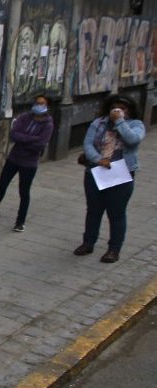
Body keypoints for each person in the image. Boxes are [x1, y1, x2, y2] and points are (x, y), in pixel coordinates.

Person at [74, 93, 146, 263]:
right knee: (93, 210)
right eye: (116, 107)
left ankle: (114, 248)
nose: (118, 110)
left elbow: (133, 140)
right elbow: (88, 144)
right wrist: (98, 160)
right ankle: (88, 242)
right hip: (96, 172)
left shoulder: (135, 125)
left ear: (129, 110)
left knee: (116, 213)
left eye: (123, 107)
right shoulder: (98, 123)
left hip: (121, 174)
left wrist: (119, 122)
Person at [0, 95, 55, 232]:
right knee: (1, 186)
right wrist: (31, 139)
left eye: (42, 103)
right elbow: (14, 134)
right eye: (36, 102)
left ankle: (20, 221)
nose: (38, 105)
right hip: (14, 158)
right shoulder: (25, 117)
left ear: (47, 106)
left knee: (24, 192)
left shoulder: (48, 124)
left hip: (29, 162)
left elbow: (40, 144)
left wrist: (25, 140)